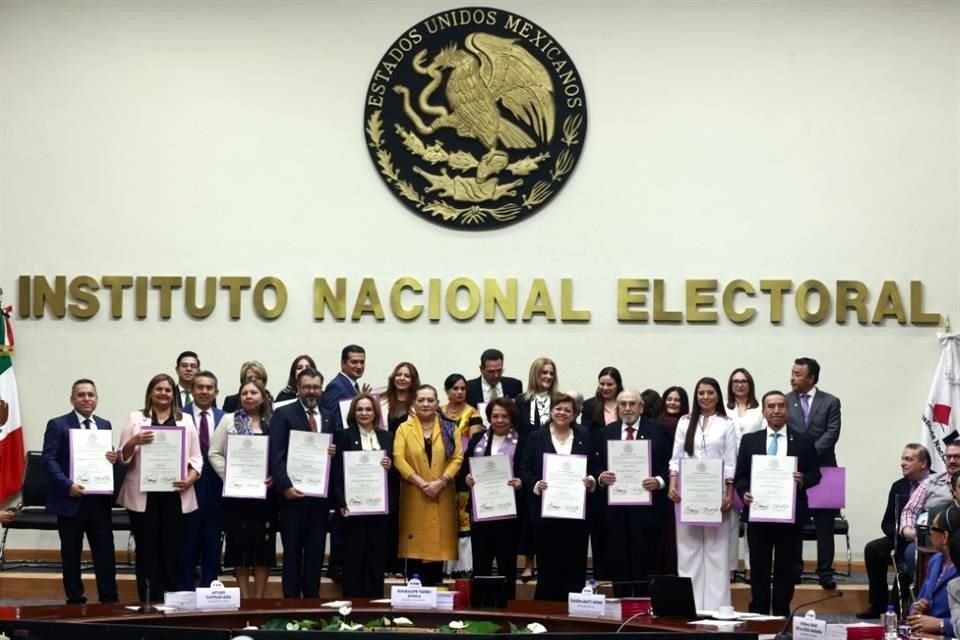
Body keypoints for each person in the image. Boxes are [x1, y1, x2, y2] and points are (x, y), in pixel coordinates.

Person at [735, 390, 821, 616]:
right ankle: (759, 612)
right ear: (763, 411)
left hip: (789, 516)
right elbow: (741, 476)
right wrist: (743, 492)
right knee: (759, 568)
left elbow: (816, 474)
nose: (776, 410)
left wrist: (803, 479)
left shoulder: (803, 441)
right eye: (771, 406)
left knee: (786, 568)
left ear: (787, 410)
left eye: (781, 406)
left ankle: (781, 612)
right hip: (758, 515)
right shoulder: (749, 441)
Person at [118, 373, 203, 602]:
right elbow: (122, 458)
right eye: (159, 389)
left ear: (174, 394)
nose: (163, 393)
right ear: (150, 393)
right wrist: (133, 442)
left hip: (176, 495)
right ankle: (147, 600)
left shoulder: (185, 420)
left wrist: (191, 479)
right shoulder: (136, 418)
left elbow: (196, 459)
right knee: (146, 551)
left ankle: (170, 599)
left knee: (172, 551)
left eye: (168, 390)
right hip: (143, 496)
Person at [40, 379, 119, 604]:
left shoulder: (104, 425)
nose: (86, 399)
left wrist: (112, 458)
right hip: (70, 500)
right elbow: (49, 459)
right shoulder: (58, 424)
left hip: (99, 501)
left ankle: (109, 599)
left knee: (105, 553)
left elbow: (104, 458)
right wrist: (67, 485)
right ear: (72, 398)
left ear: (97, 398)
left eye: (91, 395)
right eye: (81, 395)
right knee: (71, 554)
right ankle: (75, 600)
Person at [668, 376, 737, 610]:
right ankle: (691, 606)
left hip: (717, 496)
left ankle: (717, 608)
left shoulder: (726, 423)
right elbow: (676, 457)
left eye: (710, 392)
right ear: (696, 397)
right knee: (688, 551)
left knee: (717, 552)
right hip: (688, 494)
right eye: (701, 393)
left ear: (718, 396)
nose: (705, 397)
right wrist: (672, 485)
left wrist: (729, 492)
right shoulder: (685, 422)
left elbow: (730, 460)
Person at [594, 390, 672, 597]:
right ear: (617, 408)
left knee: (645, 559)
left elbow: (671, 463)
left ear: (641, 407)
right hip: (616, 510)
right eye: (623, 404)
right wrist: (602, 477)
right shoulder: (606, 433)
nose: (627, 408)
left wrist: (660, 481)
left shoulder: (659, 431)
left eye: (632, 404)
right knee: (619, 560)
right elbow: (595, 465)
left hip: (648, 509)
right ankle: (621, 605)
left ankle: (645, 607)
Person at [269, 367, 336, 598]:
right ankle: (291, 605)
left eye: (316, 387)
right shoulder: (283, 413)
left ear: (321, 389)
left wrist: (333, 452)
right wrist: (285, 486)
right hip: (292, 499)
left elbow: (334, 458)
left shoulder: (329, 415)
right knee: (292, 555)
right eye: (307, 386)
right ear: (298, 388)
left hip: (319, 500)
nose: (311, 391)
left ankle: (312, 604)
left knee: (315, 554)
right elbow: (275, 455)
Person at [520, 393, 595, 601]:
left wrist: (591, 481)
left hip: (576, 515)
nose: (562, 413)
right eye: (558, 409)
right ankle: (547, 611)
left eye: (567, 410)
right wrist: (536, 484)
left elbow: (595, 468)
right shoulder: (536, 437)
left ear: (575, 414)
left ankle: (575, 609)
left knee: (575, 565)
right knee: (548, 565)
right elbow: (524, 469)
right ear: (551, 411)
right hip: (546, 515)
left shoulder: (585, 436)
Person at [208, 379, 278, 599]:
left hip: (265, 498)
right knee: (240, 549)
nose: (249, 396)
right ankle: (244, 600)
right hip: (237, 498)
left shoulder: (273, 422)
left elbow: (280, 455)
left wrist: (275, 477)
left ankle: (259, 601)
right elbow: (214, 453)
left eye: (254, 392)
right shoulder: (229, 420)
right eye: (244, 393)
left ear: (263, 397)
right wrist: (229, 476)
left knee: (262, 551)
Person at [393, 385, 463, 586]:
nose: (425, 404)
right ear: (414, 404)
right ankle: (414, 599)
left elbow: (457, 458)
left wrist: (440, 482)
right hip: (415, 493)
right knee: (414, 546)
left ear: (437, 403)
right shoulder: (403, 429)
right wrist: (422, 483)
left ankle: (435, 597)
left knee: (437, 546)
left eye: (430, 400)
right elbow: (398, 458)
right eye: (421, 400)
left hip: (442, 493)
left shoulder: (450, 428)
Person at [331, 394, 396, 598]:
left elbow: (396, 473)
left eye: (368, 409)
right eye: (360, 409)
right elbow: (337, 472)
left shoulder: (387, 437)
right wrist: (341, 501)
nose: (364, 413)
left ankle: (374, 601)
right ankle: (352, 603)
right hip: (353, 506)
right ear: (353, 413)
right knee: (354, 556)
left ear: (375, 412)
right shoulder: (343, 436)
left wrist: (390, 466)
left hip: (379, 507)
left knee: (376, 556)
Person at [787, 356, 842, 589]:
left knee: (825, 524)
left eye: (798, 374)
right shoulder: (785, 401)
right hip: (794, 470)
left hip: (825, 468)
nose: (792, 378)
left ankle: (825, 571)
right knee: (796, 520)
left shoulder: (830, 401)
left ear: (811, 378)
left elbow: (832, 433)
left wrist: (808, 453)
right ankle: (794, 569)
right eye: (792, 373)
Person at [857, 444, 930, 618]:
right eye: (903, 459)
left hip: (928, 540)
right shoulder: (898, 486)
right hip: (901, 537)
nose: (902, 463)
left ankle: (897, 607)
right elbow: (887, 522)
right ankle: (878, 605)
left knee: (908, 556)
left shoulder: (937, 483)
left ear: (923, 463)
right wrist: (901, 534)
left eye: (909, 459)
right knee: (873, 549)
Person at [461, 398, 522, 599]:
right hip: (481, 512)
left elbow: (528, 471)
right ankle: (481, 606)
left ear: (512, 418)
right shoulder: (477, 439)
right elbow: (464, 470)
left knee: (506, 564)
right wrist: (467, 478)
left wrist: (520, 482)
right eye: (495, 416)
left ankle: (507, 607)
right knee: (481, 562)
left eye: (504, 416)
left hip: (508, 513)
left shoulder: (522, 440)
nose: (499, 420)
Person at [179, 370, 228, 590]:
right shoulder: (179, 415)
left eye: (209, 388)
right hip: (187, 488)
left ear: (216, 391)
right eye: (200, 387)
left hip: (217, 489)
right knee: (187, 542)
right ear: (192, 390)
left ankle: (209, 588)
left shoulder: (226, 418)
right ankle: (185, 589)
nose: (204, 391)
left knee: (212, 542)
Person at [515, 357, 558, 581]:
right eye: (544, 373)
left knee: (550, 517)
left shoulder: (559, 400)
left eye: (551, 373)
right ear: (535, 375)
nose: (548, 377)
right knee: (529, 515)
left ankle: (548, 563)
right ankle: (529, 563)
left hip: (555, 462)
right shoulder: (521, 401)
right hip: (528, 459)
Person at [442, 373, 484, 577]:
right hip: (441, 471)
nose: (459, 392)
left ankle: (463, 569)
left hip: (464, 470)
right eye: (455, 389)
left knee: (463, 516)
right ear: (447, 391)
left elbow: (475, 441)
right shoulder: (437, 412)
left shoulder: (473, 413)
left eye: (462, 389)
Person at [902, 440, 960, 580]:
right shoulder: (930, 482)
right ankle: (924, 595)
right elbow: (910, 510)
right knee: (911, 553)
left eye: (957, 457)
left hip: (957, 540)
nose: (952, 461)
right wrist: (908, 530)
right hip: (930, 540)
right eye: (948, 457)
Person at [726, 367, 764, 577]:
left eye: (743, 381)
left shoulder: (760, 410)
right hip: (730, 469)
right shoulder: (723, 408)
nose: (739, 385)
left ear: (750, 385)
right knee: (730, 523)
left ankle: (751, 567)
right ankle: (731, 568)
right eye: (735, 382)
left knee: (752, 522)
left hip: (753, 470)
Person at [906, 506, 960, 636]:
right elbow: (919, 601)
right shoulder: (935, 561)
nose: (929, 532)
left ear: (945, 536)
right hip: (925, 634)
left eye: (933, 528)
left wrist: (941, 624)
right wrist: (917, 609)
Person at [322, 345, 370, 429]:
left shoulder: (354, 385)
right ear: (343, 364)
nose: (359, 366)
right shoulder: (335, 386)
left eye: (362, 362)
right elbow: (331, 421)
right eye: (354, 362)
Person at [382, 362, 420, 433]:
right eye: (398, 375)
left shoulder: (419, 404)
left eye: (407, 376)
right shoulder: (381, 401)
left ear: (413, 380)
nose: (402, 378)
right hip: (384, 443)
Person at [580, 367, 622, 432]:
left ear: (618, 385)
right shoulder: (589, 405)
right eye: (602, 384)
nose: (605, 388)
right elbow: (586, 432)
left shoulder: (626, 404)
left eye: (609, 384)